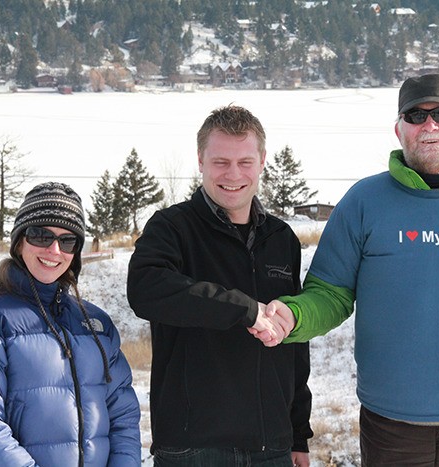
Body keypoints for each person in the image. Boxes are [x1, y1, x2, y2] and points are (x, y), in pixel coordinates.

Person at [259, 74, 439, 466]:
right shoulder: (363, 202)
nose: (430, 125)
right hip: (391, 430)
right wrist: (294, 316)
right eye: (416, 115)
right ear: (399, 129)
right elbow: (330, 294)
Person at [126, 104, 313, 466]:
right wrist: (244, 310)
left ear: (262, 162)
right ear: (200, 160)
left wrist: (297, 433)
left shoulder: (281, 238)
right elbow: (146, 289)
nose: (233, 174)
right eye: (220, 162)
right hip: (193, 447)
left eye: (245, 162)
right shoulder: (172, 227)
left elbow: (295, 346)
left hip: (271, 447)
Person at [0, 182, 141, 466]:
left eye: (68, 240)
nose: (54, 250)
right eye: (41, 236)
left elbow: (124, 417)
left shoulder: (96, 325)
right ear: (20, 241)